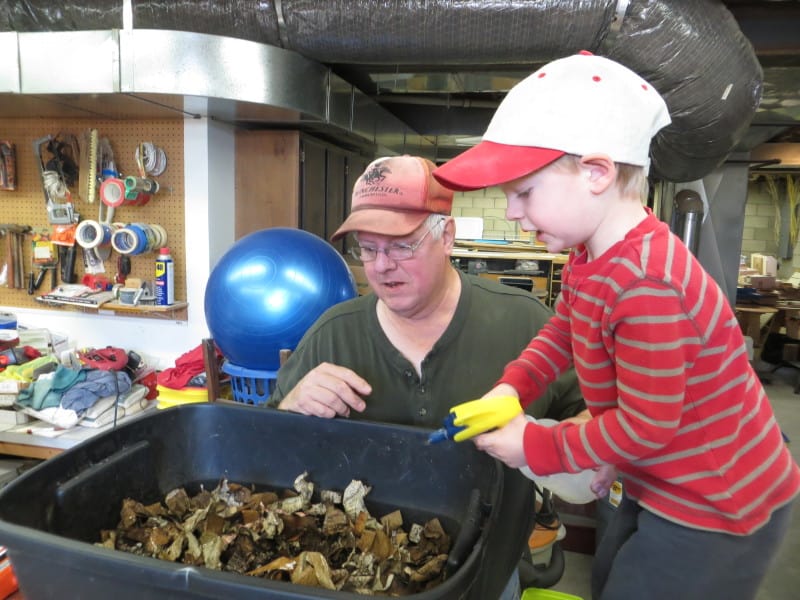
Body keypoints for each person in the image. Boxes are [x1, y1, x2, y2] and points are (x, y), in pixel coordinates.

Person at [432, 51, 800, 600]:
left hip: (715, 504)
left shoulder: (646, 284)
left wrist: (538, 444)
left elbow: (649, 424)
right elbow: (563, 332)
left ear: (597, 173)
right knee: (611, 581)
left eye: (524, 193)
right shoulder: (592, 258)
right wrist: (515, 388)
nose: (512, 212)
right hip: (657, 476)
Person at [269, 154, 587, 598]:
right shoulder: (331, 335)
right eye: (368, 247)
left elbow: (596, 423)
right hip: (359, 578)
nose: (381, 265)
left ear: (447, 236)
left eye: (401, 245)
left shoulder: (527, 326)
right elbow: (265, 450)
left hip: (489, 576)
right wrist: (291, 407)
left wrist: (545, 441)